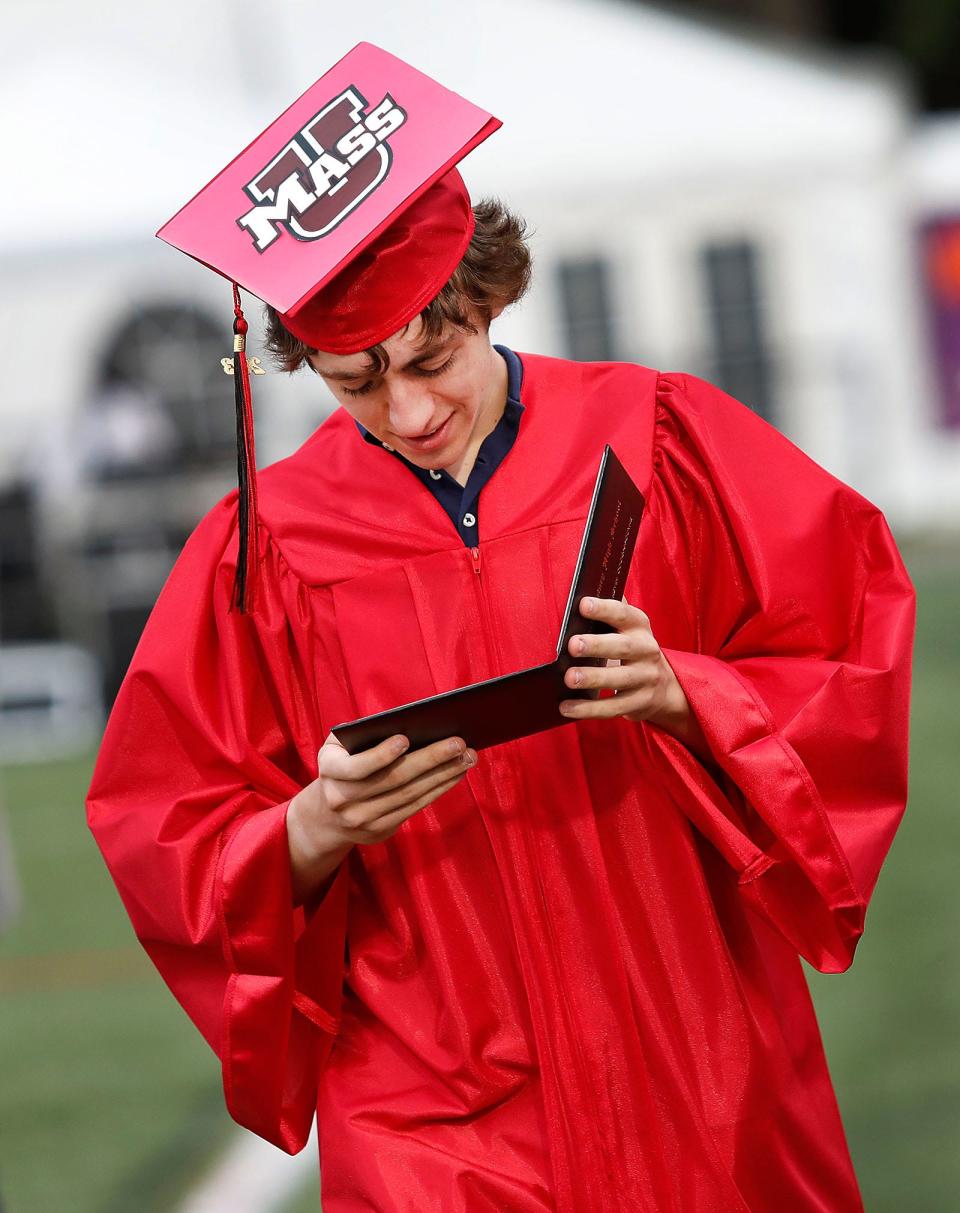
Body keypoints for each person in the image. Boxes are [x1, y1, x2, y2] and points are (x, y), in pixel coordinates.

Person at [86, 46, 914, 1213]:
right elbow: (163, 821)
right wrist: (310, 829)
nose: (410, 411)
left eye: (434, 357)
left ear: (487, 295)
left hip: (692, 1048)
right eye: (355, 384)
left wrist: (690, 691)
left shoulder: (659, 435)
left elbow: (849, 648)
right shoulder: (263, 548)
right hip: (435, 1098)